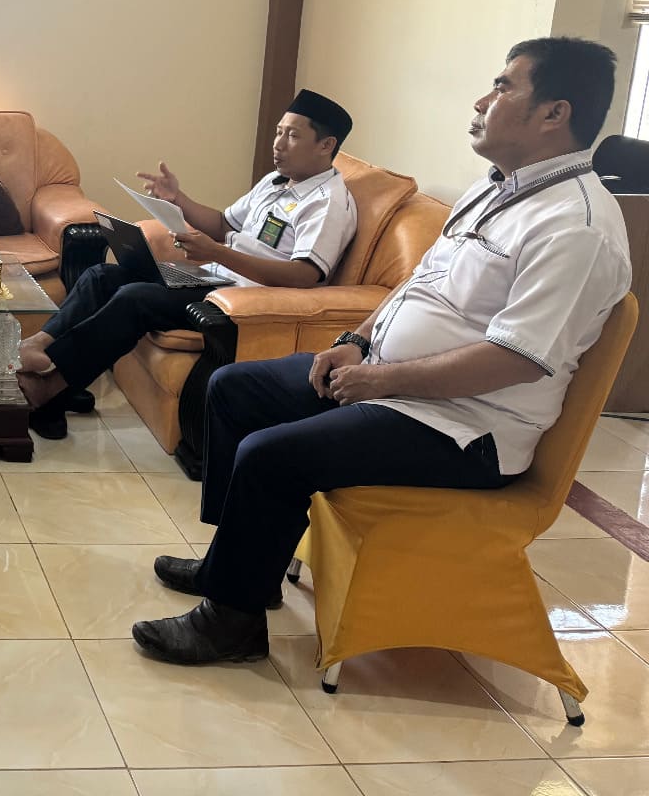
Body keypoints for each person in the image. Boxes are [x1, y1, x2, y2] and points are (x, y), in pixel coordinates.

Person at [133, 38, 631, 666]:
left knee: (270, 456)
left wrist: (380, 380)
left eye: (504, 87)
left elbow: (515, 359)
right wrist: (358, 341)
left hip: (465, 428)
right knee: (234, 390)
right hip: (396, 385)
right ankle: (235, 566)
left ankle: (230, 624)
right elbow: (419, 285)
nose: (482, 101)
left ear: (555, 113)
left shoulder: (576, 227)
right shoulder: (496, 190)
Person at [17, 90, 359, 439]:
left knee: (135, 299)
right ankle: (40, 347)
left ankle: (50, 391)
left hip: (243, 302)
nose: (279, 144)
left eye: (293, 135)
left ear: (325, 145)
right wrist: (178, 200)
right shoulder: (275, 183)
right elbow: (224, 224)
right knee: (102, 275)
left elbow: (304, 275)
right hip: (214, 279)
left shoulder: (327, 203)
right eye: (278, 132)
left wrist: (218, 253)